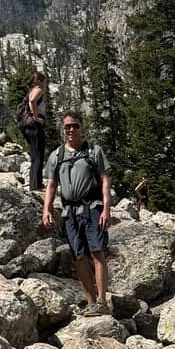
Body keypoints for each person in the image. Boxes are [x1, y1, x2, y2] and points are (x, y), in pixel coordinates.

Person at [42, 112, 112, 316]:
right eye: (67, 127)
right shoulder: (57, 155)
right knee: (78, 256)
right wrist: (46, 209)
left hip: (92, 207)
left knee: (97, 251)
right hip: (69, 212)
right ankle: (90, 302)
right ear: (63, 130)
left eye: (74, 125)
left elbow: (105, 180)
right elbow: (51, 185)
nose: (71, 130)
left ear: (81, 127)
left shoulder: (94, 151)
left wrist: (107, 208)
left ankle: (102, 301)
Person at [22, 71, 48, 192]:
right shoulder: (38, 90)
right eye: (44, 81)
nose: (45, 84)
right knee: (38, 155)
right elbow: (32, 100)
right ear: (40, 81)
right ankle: (36, 185)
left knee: (34, 155)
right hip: (34, 125)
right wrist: (36, 117)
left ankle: (34, 184)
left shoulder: (30, 91)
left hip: (27, 126)